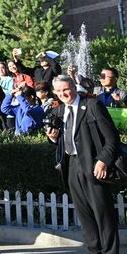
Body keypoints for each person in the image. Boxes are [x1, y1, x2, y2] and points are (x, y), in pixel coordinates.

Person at [46, 75, 120, 254]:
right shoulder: (59, 110)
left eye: (66, 89)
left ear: (73, 86)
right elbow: (62, 141)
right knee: (84, 215)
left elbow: (112, 140)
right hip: (71, 166)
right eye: (59, 91)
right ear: (55, 92)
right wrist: (53, 139)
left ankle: (110, 251)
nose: (63, 93)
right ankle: (94, 250)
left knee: (103, 214)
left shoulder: (93, 106)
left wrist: (102, 161)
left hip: (94, 166)